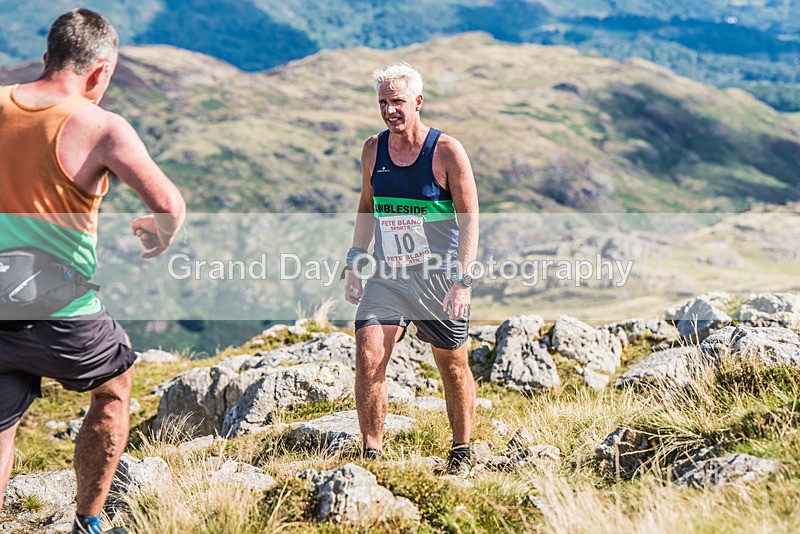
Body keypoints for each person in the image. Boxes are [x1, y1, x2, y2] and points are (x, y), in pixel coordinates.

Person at [0, 9, 185, 533]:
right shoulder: (99, 125)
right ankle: (89, 521)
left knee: (1, 425)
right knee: (114, 385)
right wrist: (158, 232)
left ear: (47, 58)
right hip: (60, 307)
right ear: (100, 72)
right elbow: (169, 204)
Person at [343, 63, 480, 475]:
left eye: (397, 101)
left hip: (438, 278)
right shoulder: (373, 149)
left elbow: (470, 217)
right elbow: (367, 207)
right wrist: (355, 261)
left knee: (452, 365)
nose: (389, 110)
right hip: (388, 276)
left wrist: (463, 281)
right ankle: (372, 455)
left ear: (417, 102)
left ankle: (461, 450)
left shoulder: (447, 151)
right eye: (383, 102)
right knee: (368, 353)